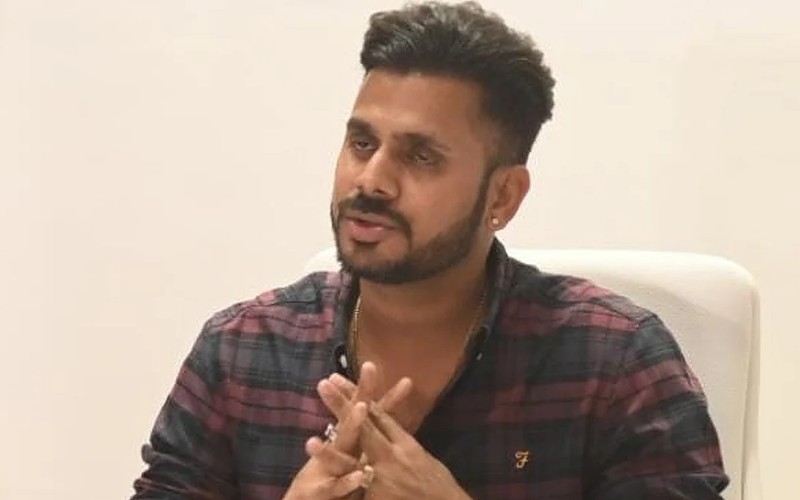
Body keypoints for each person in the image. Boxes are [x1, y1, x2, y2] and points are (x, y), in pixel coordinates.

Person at [132, 2, 728, 499]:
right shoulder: (241, 351)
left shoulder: (615, 363)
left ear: (502, 196)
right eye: (361, 143)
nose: (372, 181)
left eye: (420, 157)